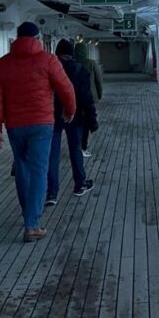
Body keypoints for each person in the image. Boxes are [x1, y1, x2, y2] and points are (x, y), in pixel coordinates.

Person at [0, 22, 76, 242]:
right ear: (37, 38)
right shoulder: (48, 60)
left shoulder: (3, 64)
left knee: (22, 168)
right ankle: (32, 224)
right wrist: (70, 110)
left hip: (15, 126)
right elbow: (66, 88)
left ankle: (29, 214)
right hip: (41, 124)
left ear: (17, 38)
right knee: (39, 171)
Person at [46, 39, 96, 205]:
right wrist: (92, 118)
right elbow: (86, 98)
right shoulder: (80, 70)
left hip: (53, 116)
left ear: (57, 52)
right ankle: (80, 184)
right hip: (75, 116)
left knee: (52, 155)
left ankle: (51, 193)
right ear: (72, 53)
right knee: (75, 150)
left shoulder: (49, 68)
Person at [73, 42, 103, 157]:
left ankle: (77, 146)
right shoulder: (91, 63)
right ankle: (83, 147)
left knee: (76, 123)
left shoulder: (72, 63)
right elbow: (99, 80)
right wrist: (99, 94)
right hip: (88, 97)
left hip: (74, 98)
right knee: (86, 123)